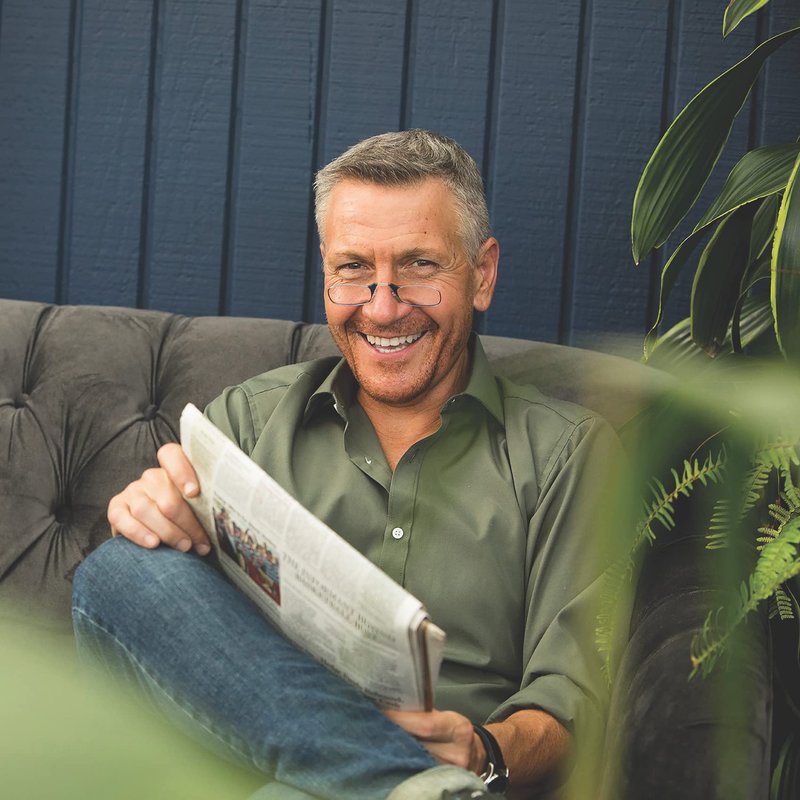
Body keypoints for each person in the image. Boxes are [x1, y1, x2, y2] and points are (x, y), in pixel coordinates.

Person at [72, 130, 623, 800]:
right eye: (354, 269)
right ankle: (407, 784)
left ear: (482, 275)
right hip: (248, 767)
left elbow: (570, 703)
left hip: (453, 768)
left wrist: (483, 751)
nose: (383, 308)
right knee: (116, 571)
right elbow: (168, 635)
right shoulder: (246, 422)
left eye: (419, 265)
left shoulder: (567, 454)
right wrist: (150, 521)